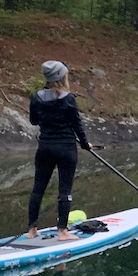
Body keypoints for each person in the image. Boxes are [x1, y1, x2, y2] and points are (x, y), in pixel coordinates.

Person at [27, 60, 91, 241]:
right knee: (65, 190)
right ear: (62, 77)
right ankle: (62, 231)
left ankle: (32, 229)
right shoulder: (69, 99)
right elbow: (76, 125)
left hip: (45, 147)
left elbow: (33, 121)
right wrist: (86, 144)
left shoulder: (36, 97)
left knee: (38, 189)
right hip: (66, 149)